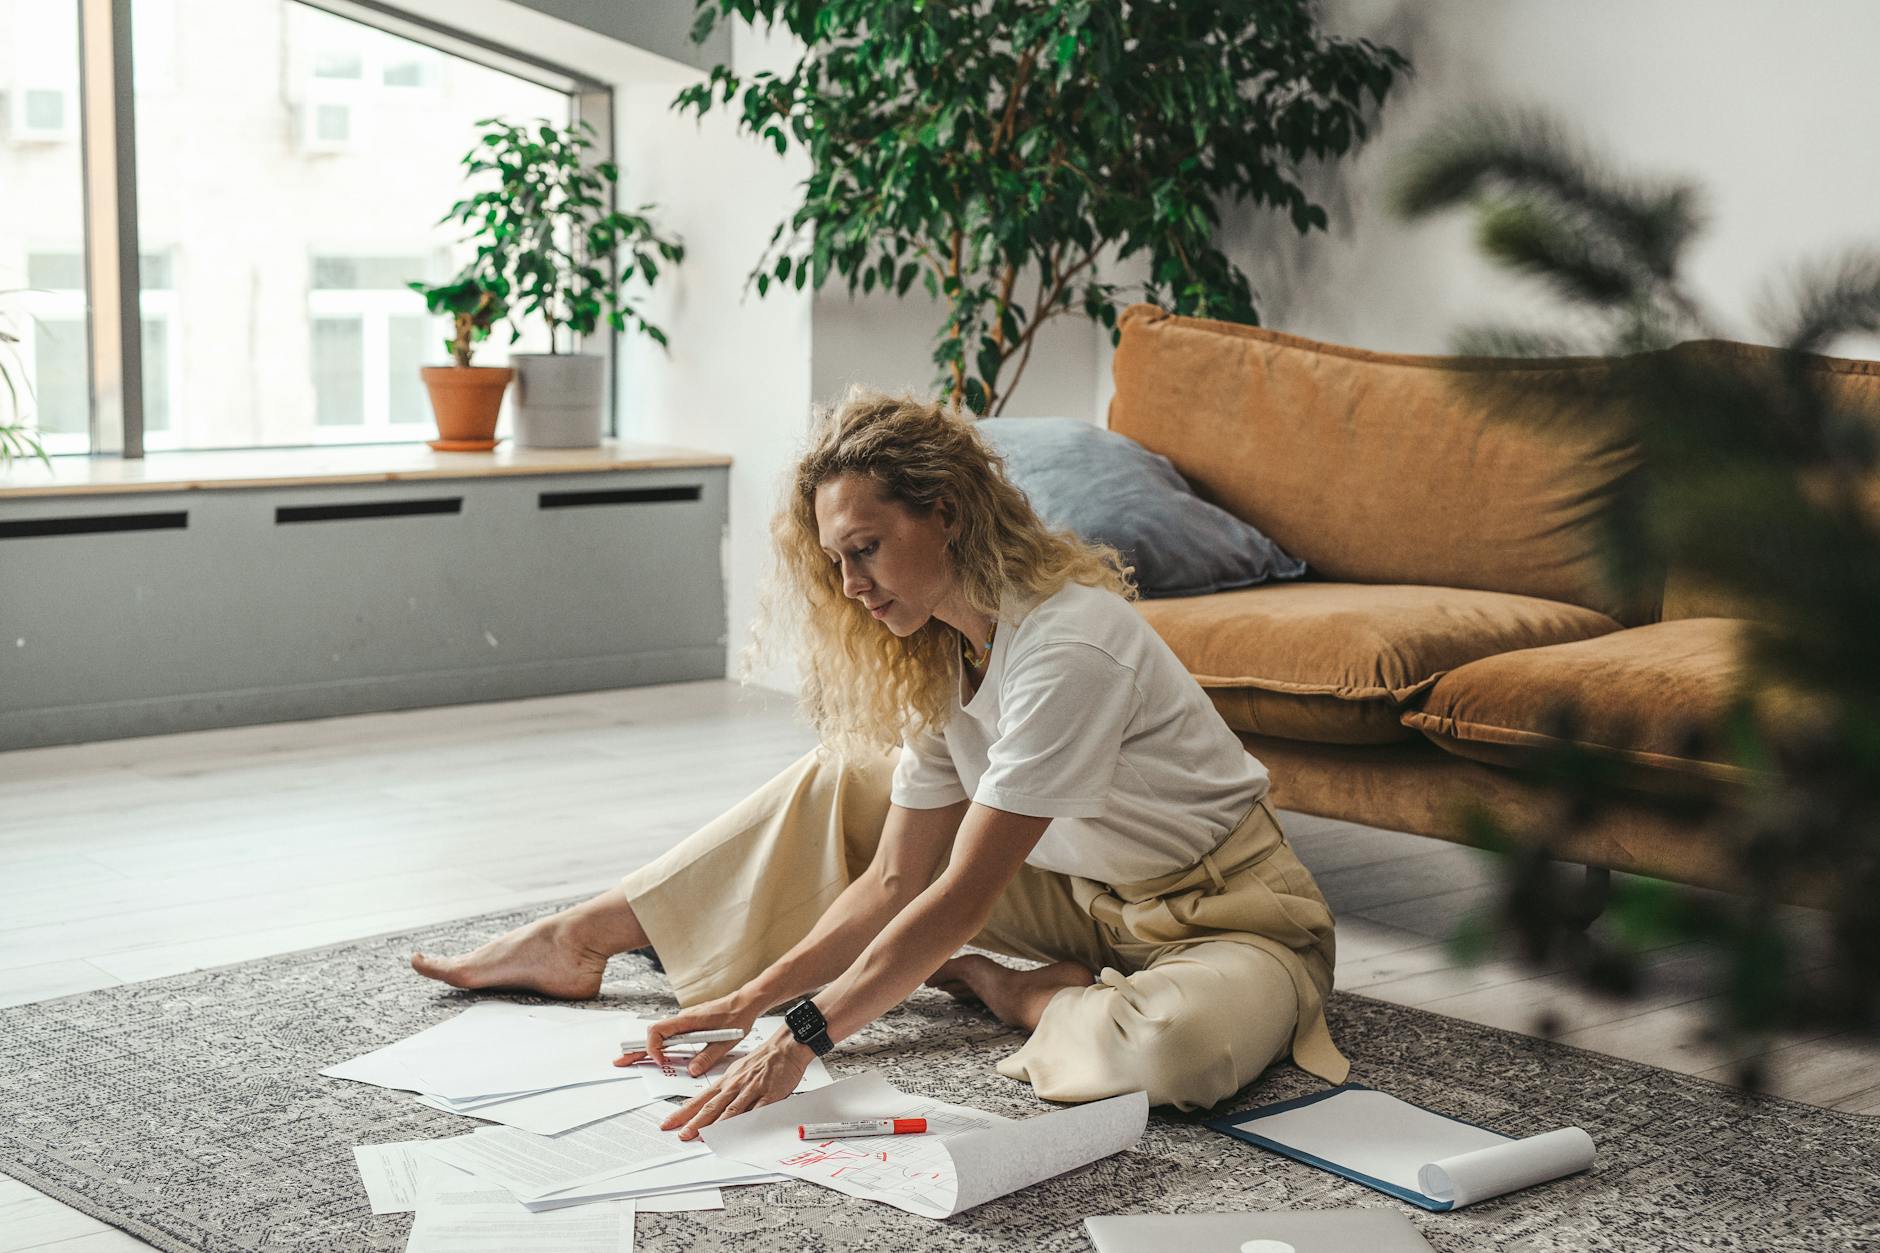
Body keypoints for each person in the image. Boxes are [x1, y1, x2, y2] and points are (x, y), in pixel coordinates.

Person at [411, 388, 1349, 1141]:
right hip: (1083, 892)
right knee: (848, 778)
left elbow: (956, 897)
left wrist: (805, 1033)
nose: (854, 586)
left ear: (944, 514)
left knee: (1170, 1055)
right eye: (837, 561)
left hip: (1232, 918)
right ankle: (584, 935)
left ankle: (1011, 986)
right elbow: (898, 875)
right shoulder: (942, 650)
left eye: (866, 549)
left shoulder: (1069, 644)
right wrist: (750, 1002)